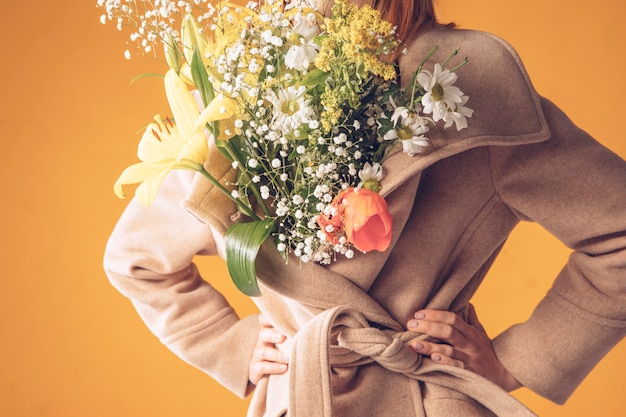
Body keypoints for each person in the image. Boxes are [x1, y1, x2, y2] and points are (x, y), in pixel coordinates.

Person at [103, 0, 626, 415]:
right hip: (304, 394)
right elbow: (139, 259)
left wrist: (516, 361)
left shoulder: (471, 82)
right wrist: (229, 346)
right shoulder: (239, 92)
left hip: (429, 398)